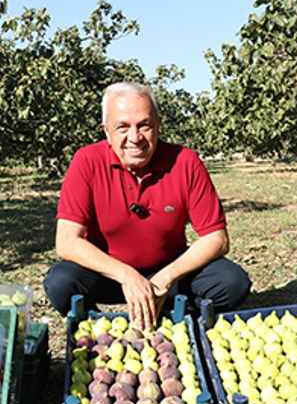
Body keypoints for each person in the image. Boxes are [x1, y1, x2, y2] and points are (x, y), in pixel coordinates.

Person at [44, 82, 250, 330]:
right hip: (109, 275)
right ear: (106, 131)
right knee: (61, 282)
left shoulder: (185, 161)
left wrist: (166, 277)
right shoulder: (87, 161)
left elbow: (217, 239)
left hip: (168, 272)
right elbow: (67, 242)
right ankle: (98, 327)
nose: (135, 137)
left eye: (144, 125)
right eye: (122, 127)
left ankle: (176, 315)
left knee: (231, 282)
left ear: (158, 124)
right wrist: (126, 275)